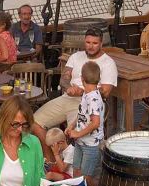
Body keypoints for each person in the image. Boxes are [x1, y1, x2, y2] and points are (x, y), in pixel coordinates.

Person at [32, 27, 117, 162]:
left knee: (75, 133)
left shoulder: (108, 63)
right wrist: (68, 87)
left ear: (101, 44)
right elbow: (64, 77)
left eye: (95, 43)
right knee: (34, 122)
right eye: (88, 42)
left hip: (89, 104)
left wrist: (82, 91)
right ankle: (52, 161)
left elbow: (106, 91)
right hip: (68, 97)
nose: (91, 46)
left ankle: (71, 168)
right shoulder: (76, 56)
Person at [66, 60, 104, 186]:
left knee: (86, 178)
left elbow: (95, 123)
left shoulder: (94, 98)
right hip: (81, 142)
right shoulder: (86, 94)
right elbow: (82, 114)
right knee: (77, 173)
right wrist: (72, 126)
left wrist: (78, 134)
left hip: (91, 144)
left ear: (82, 78)